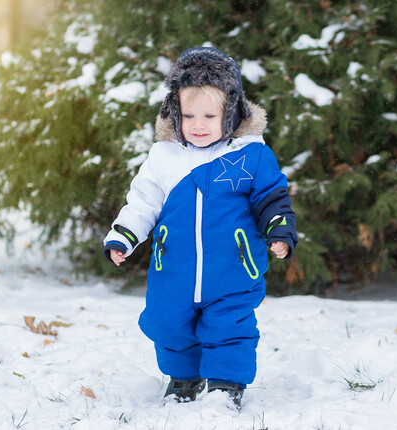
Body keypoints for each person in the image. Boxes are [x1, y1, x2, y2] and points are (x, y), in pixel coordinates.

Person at [102, 47, 297, 410]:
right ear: (174, 112)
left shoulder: (250, 154)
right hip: (172, 270)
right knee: (167, 324)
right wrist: (124, 235)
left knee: (229, 326)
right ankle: (183, 378)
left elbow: (271, 197)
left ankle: (225, 385)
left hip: (233, 270)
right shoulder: (164, 155)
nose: (198, 124)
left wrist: (279, 231)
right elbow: (144, 201)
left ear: (232, 112)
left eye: (210, 114)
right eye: (188, 114)